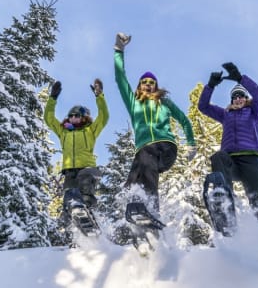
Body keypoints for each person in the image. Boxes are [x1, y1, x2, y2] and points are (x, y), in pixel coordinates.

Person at [113, 32, 197, 218]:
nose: (148, 85)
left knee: (145, 159)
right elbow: (120, 78)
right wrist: (119, 50)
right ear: (139, 86)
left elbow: (184, 119)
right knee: (133, 181)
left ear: (156, 86)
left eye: (152, 82)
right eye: (144, 82)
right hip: (144, 152)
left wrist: (191, 143)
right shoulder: (133, 102)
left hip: (165, 147)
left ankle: (151, 210)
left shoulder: (164, 103)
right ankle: (135, 218)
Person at [198, 62, 258, 240]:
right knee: (218, 156)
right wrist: (210, 86)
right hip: (230, 161)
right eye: (235, 97)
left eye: (241, 96)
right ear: (231, 101)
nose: (238, 99)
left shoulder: (254, 112)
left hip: (251, 161)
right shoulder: (225, 114)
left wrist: (240, 78)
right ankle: (225, 210)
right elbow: (203, 106)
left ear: (245, 98)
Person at [44, 78, 109, 224]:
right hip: (69, 171)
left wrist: (99, 96)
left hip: (87, 168)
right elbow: (49, 119)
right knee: (69, 199)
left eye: (77, 115)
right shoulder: (63, 132)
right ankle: (75, 234)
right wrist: (52, 98)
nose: (73, 117)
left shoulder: (90, 130)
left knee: (85, 189)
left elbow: (104, 117)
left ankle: (89, 213)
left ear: (84, 117)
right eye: (71, 115)